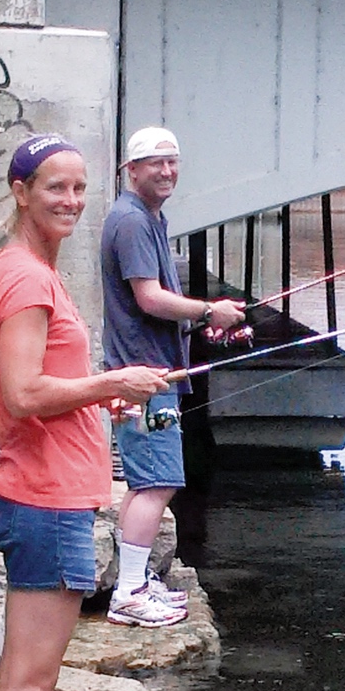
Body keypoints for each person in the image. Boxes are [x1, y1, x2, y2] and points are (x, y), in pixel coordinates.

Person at [0, 132, 168, 691]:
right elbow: (24, 394)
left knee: (38, 681)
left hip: (54, 493)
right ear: (20, 191)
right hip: (41, 496)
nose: (70, 200)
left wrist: (102, 392)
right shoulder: (25, 279)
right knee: (22, 689)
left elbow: (45, 384)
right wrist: (105, 384)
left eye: (79, 188)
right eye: (53, 187)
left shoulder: (34, 272)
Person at [101, 126, 245, 628]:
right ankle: (129, 593)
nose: (166, 170)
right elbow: (149, 298)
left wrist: (204, 323)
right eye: (155, 162)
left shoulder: (147, 218)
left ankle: (136, 582)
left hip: (150, 371)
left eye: (173, 161)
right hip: (144, 378)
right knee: (157, 483)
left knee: (145, 482)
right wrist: (209, 312)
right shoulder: (132, 222)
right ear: (130, 170)